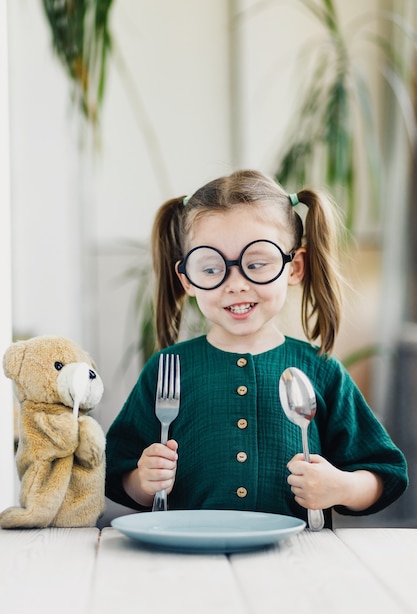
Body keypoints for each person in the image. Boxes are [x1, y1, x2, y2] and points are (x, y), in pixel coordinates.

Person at [105, 169, 408, 527]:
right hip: (190, 560)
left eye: (257, 264)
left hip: (295, 564)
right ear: (187, 279)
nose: (236, 285)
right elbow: (115, 471)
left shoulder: (320, 371)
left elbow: (384, 474)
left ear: (294, 268)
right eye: (212, 267)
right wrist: (143, 482)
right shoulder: (167, 369)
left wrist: (341, 487)